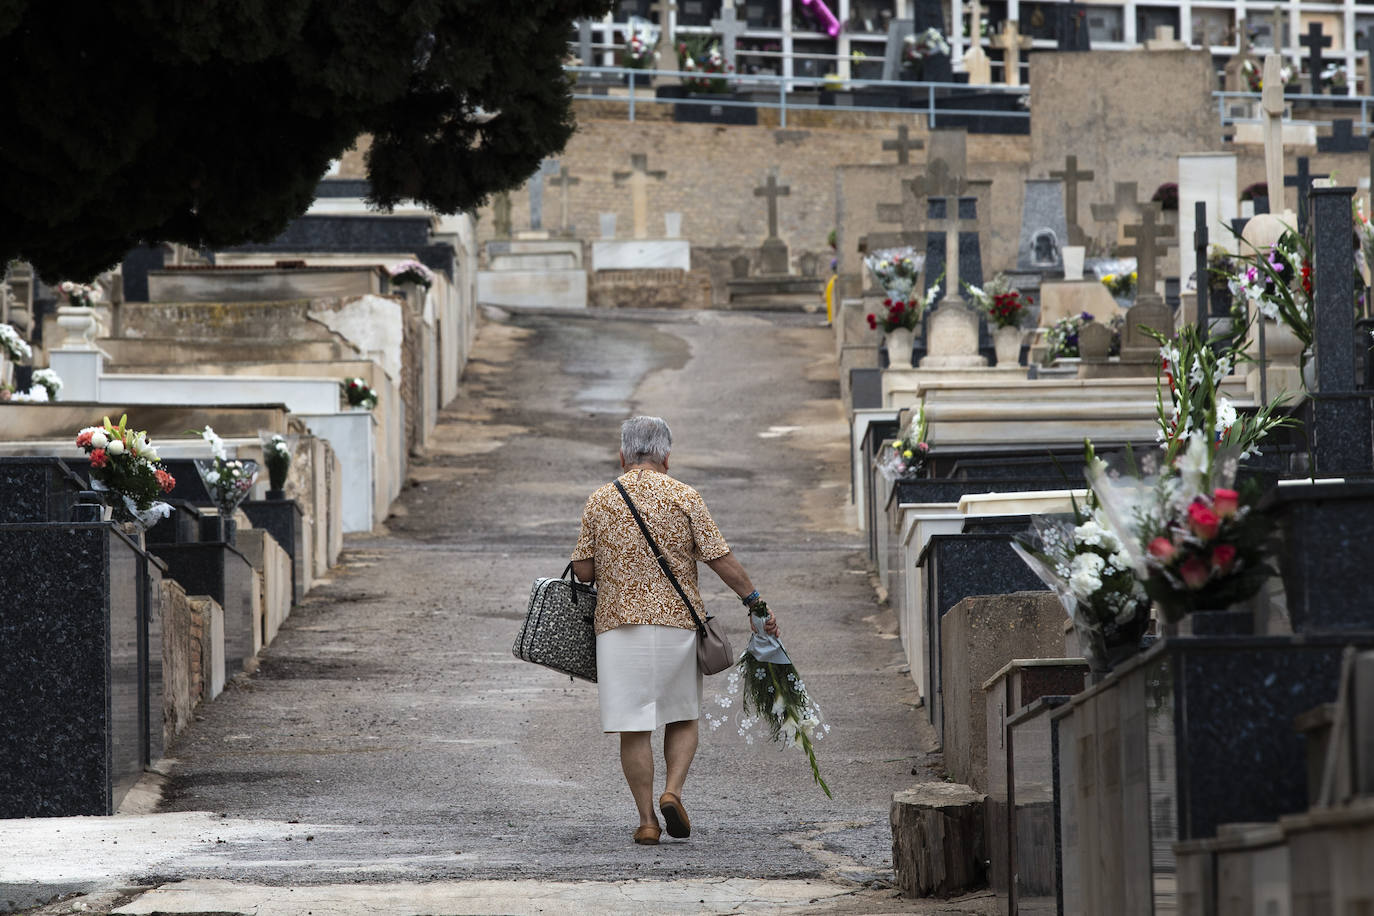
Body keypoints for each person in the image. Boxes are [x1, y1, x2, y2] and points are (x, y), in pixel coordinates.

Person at [571, 416, 779, 846]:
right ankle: (673, 792)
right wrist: (755, 602)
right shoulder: (685, 496)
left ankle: (647, 821)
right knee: (681, 716)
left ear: (623, 454)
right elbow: (720, 558)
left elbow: (584, 571)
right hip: (676, 625)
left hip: (617, 627)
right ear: (666, 456)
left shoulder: (600, 500)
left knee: (634, 727)